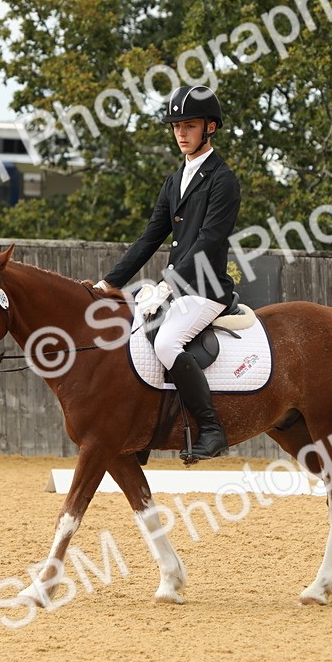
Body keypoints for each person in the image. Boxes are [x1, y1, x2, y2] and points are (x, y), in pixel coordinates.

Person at [94, 85, 240, 461]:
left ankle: (211, 430)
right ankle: (144, 435)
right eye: (176, 126)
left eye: (189, 125)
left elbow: (208, 241)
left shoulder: (223, 181)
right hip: (175, 290)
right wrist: (109, 282)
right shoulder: (175, 181)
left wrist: (166, 284)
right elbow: (149, 239)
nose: (180, 133)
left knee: (165, 343)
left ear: (210, 127)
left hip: (206, 290)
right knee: (134, 341)